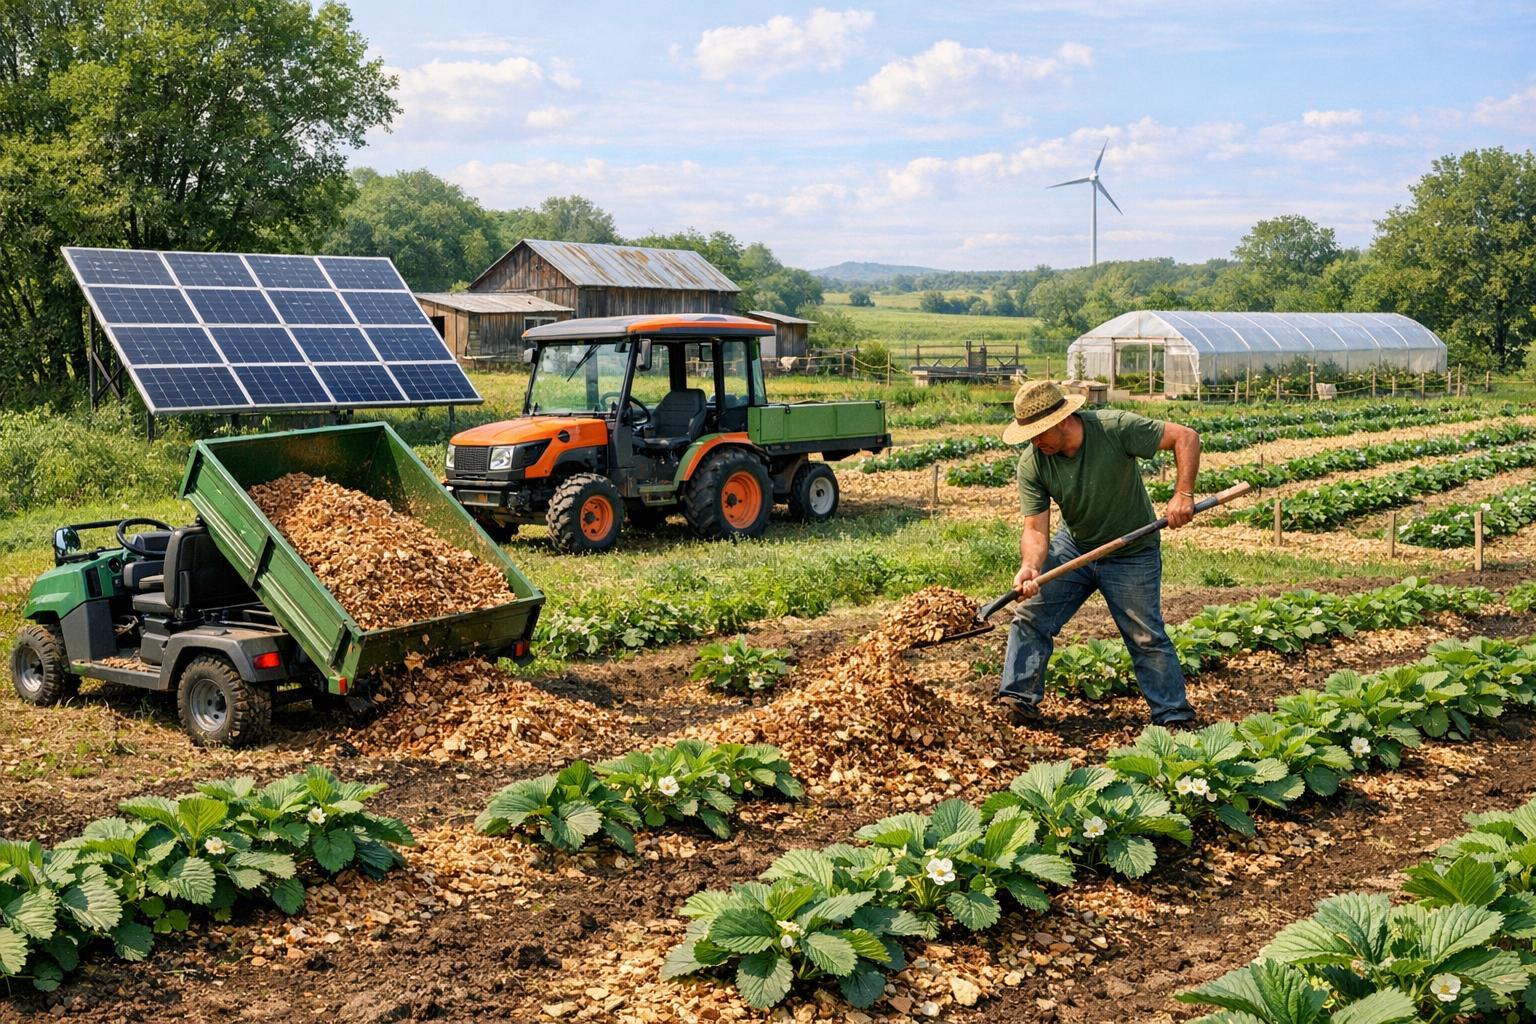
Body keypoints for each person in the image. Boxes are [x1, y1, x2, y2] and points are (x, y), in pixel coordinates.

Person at [996, 380, 1201, 726]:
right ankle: (1019, 700)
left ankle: (1173, 716)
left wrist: (1184, 493)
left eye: (1040, 432)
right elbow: (1034, 529)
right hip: (1075, 546)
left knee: (1145, 635)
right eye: (1028, 435)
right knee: (1031, 616)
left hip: (1131, 551)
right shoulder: (1034, 463)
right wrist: (1030, 566)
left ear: (1063, 420)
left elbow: (1186, 436)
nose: (1035, 441)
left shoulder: (1113, 428)